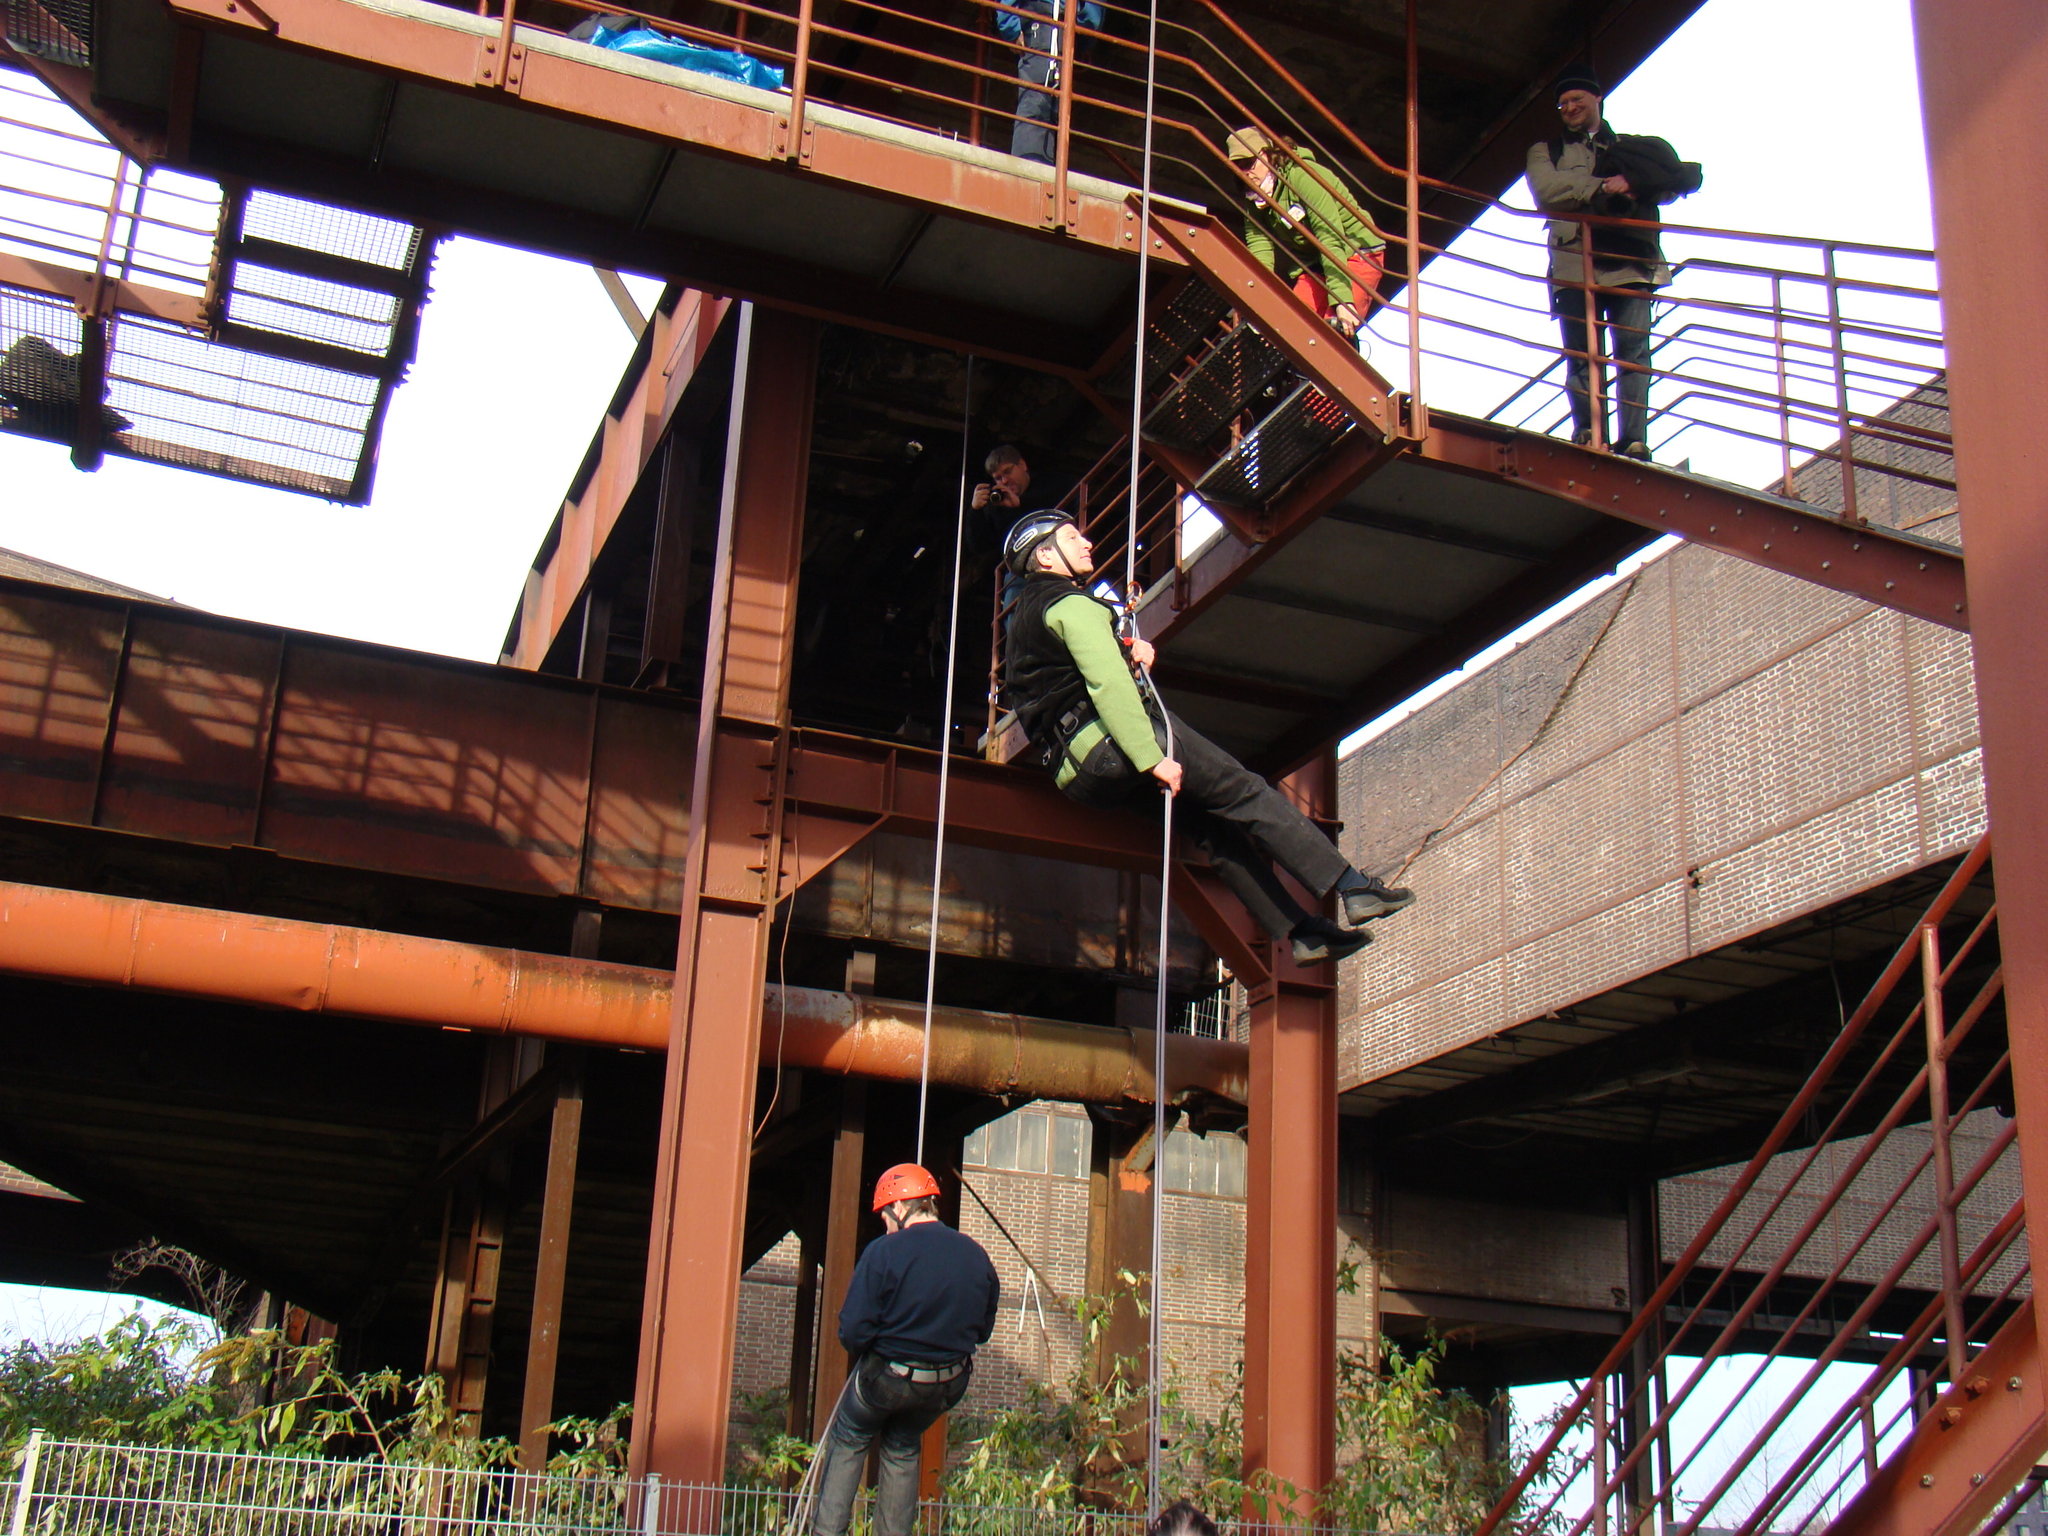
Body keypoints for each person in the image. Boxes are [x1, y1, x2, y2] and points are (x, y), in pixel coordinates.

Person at [1001, 511, 1415, 965]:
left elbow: (1057, 682)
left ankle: (1303, 932)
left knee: (1213, 831)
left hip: (1083, 774)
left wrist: (1123, 651)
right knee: (1244, 792)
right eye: (1072, 538)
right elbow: (1108, 685)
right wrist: (1150, 756)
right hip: (1123, 743)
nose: (1087, 544)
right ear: (1046, 556)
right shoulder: (1071, 605)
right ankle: (1353, 887)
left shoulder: (1025, 622)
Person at [810, 1164, 1000, 1536]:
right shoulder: (976, 1255)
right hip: (947, 1383)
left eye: (885, 1216)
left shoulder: (884, 1252)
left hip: (889, 1377)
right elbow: (983, 1330)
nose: (885, 1225)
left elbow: (853, 1330)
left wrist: (878, 1346)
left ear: (899, 1207)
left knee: (850, 1436)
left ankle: (826, 1531)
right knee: (902, 1445)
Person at [1524, 66, 1701, 460]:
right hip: (1574, 263)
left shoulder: (1630, 147)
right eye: (1563, 103)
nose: (1569, 107)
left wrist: (1635, 183)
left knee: (1633, 353)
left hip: (1630, 260)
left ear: (1596, 100)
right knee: (1582, 356)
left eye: (1576, 99)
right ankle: (1589, 433)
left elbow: (1671, 185)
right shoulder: (1545, 150)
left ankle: (1634, 440)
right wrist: (1605, 186)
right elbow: (1547, 192)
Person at [1226, 127, 1387, 341]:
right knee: (1291, 328)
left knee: (1335, 331)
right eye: (1237, 167)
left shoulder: (1303, 175)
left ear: (1266, 154)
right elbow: (1259, 249)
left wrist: (1342, 300)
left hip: (1357, 253)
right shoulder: (1254, 199)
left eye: (1248, 163)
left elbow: (1329, 236)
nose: (1245, 173)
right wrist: (1256, 298)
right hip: (1316, 265)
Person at [995, 0, 1102, 166]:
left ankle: (1035, 166)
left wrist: (1010, 27)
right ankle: (1030, 167)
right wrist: (1010, 27)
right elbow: (1092, 16)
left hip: (1055, 27)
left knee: (1048, 106)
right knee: (1039, 102)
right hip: (1050, 25)